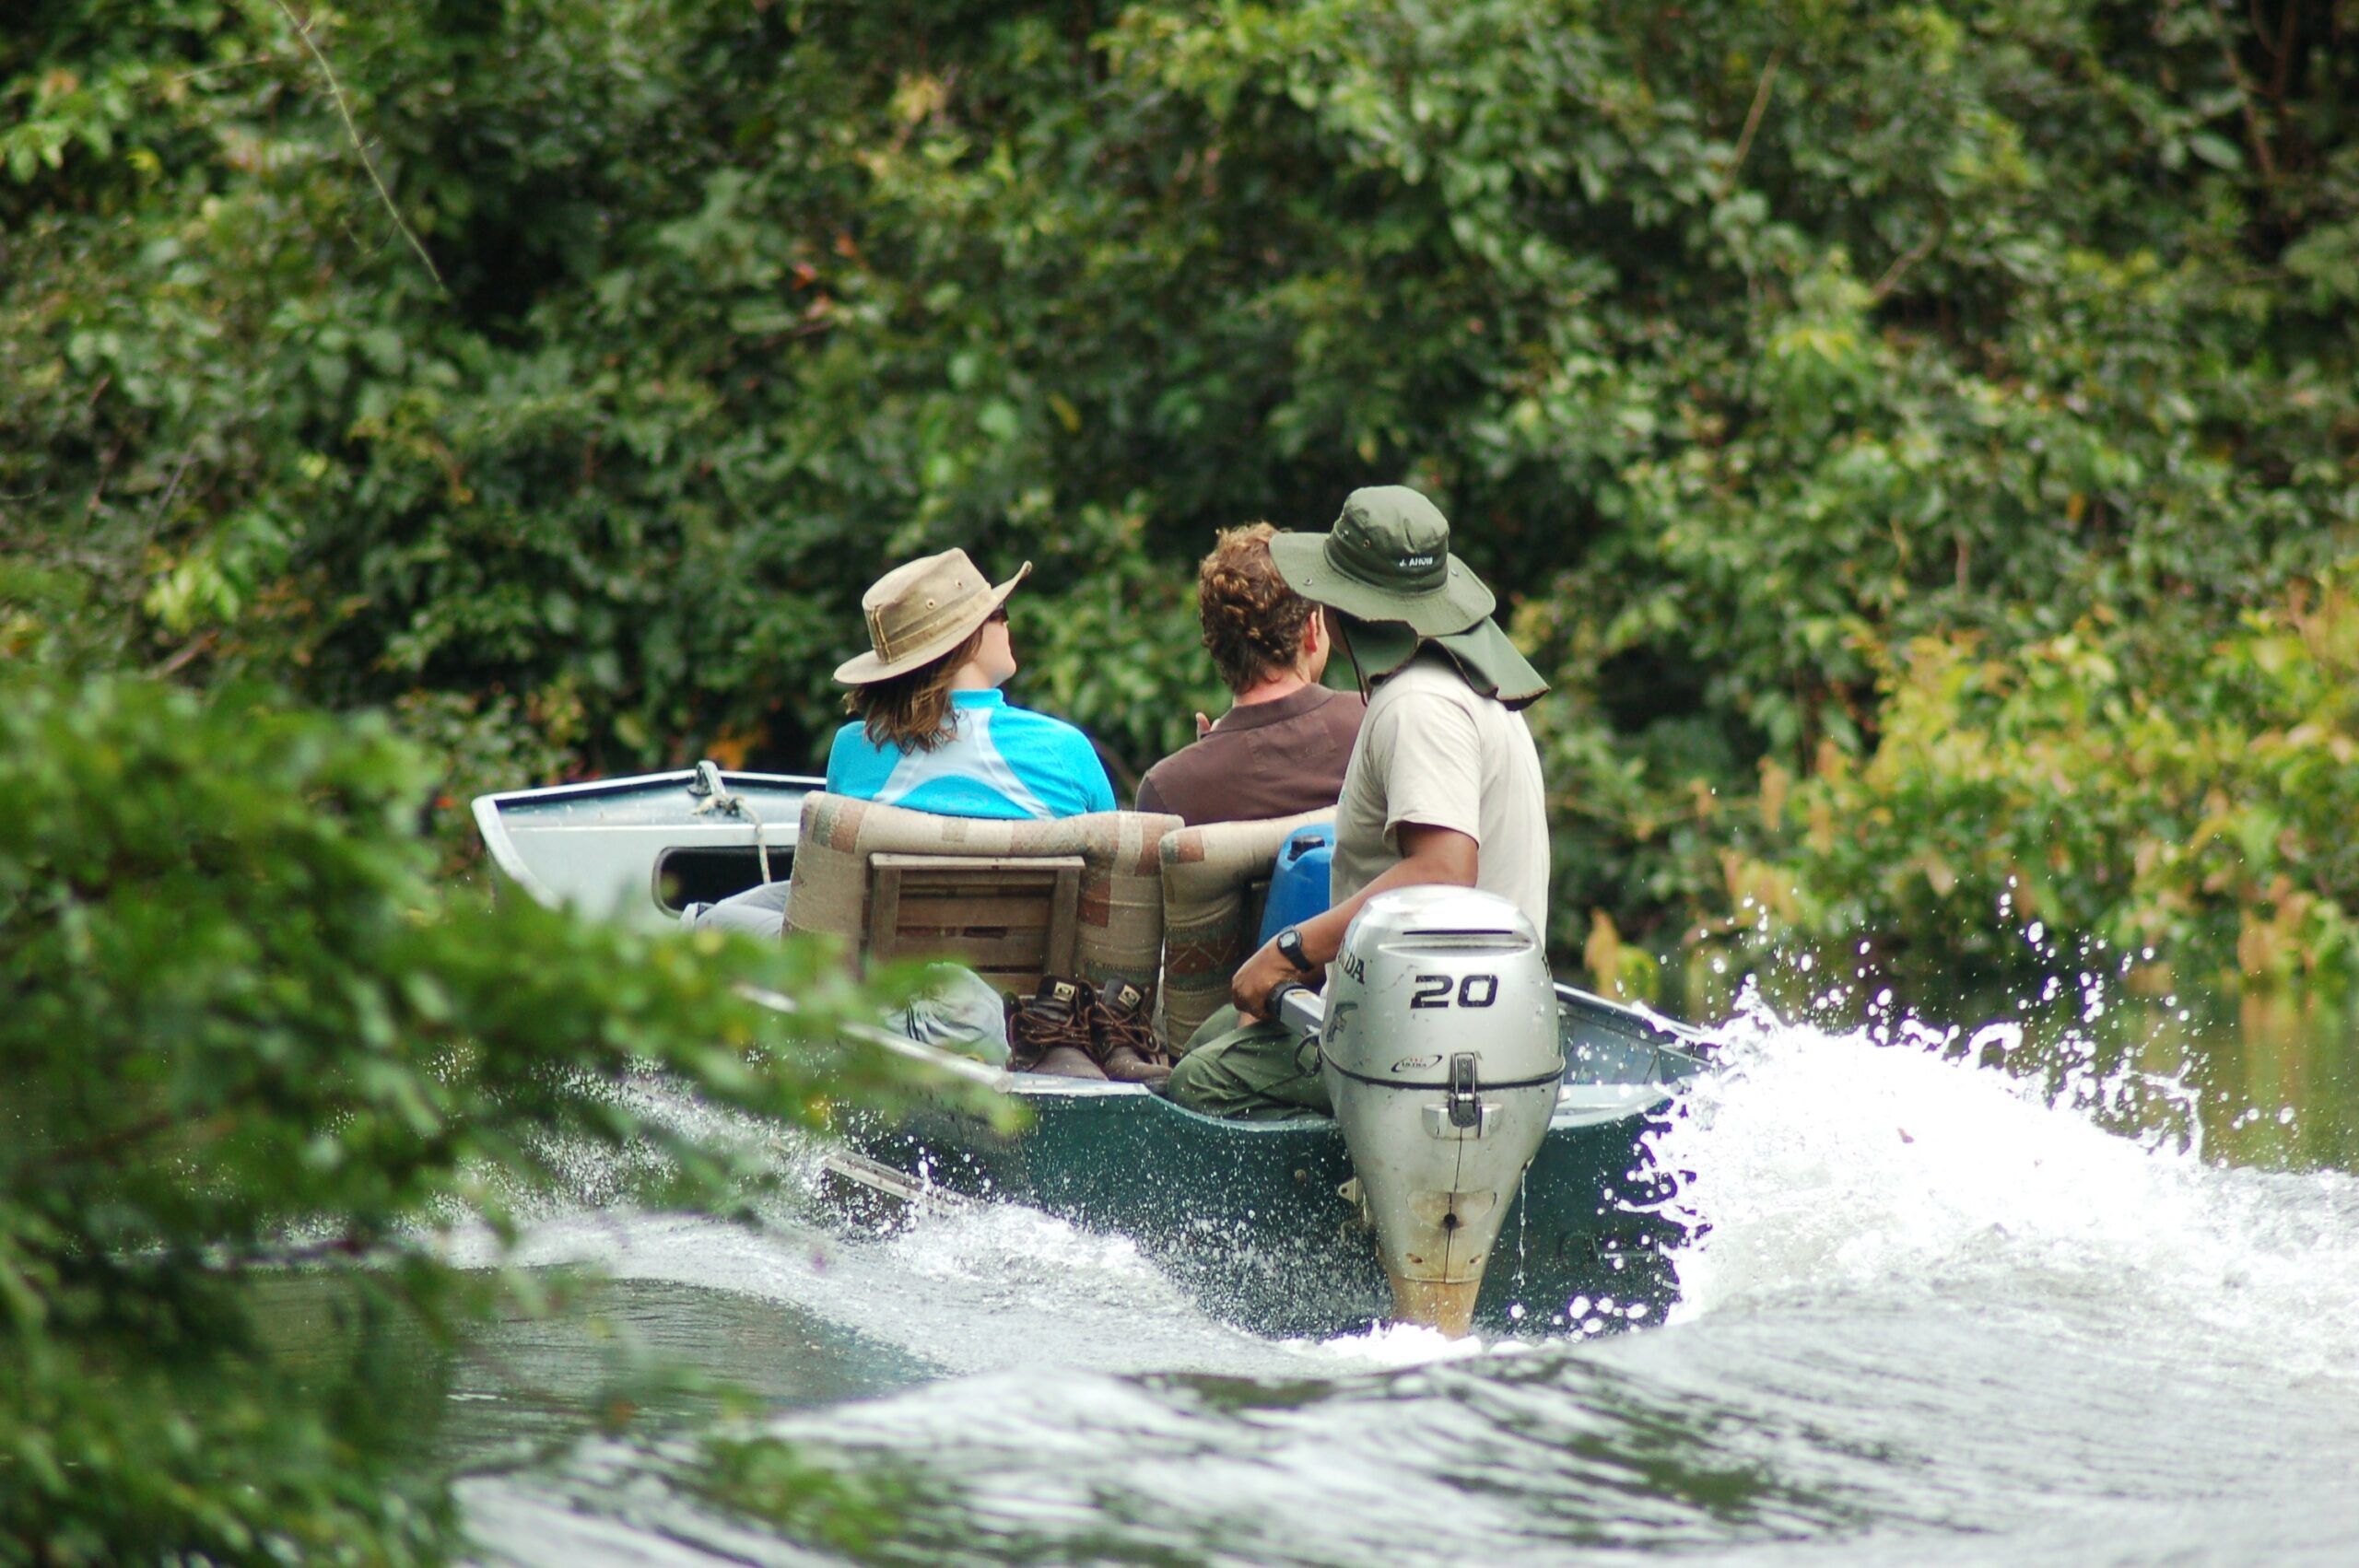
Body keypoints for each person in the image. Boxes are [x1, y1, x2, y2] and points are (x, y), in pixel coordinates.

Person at [1165, 486, 1551, 1119]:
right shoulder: (1460, 685)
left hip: (1429, 1046)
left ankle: (1333, 1186)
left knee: (1198, 1083)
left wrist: (1290, 950)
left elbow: (1444, 871)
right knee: (1214, 1035)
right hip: (1449, 1016)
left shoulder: (1419, 705)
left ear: (1350, 607)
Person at [1135, 523, 1366, 826]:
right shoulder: (1374, 724)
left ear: (1217, 646)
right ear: (1312, 630)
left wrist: (1208, 752)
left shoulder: (1169, 791)